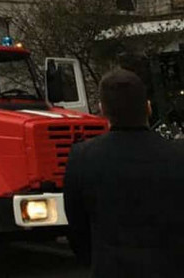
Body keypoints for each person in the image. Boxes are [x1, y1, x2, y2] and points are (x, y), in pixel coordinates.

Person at [64, 68, 184, 277]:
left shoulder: (82, 157)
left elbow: (77, 226)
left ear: (102, 110)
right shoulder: (177, 154)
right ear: (148, 107)